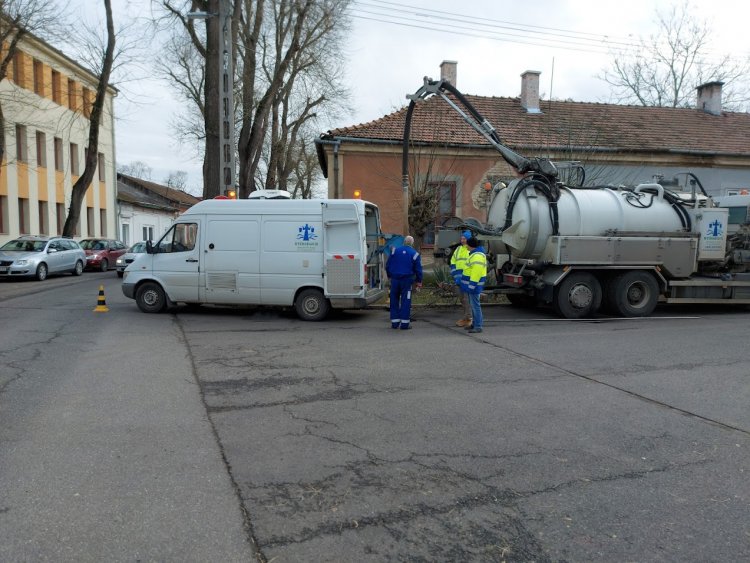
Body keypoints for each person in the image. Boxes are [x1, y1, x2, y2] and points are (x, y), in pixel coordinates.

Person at [386, 235, 423, 330]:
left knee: (394, 300)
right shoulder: (415, 254)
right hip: (407, 281)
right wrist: (419, 281)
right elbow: (418, 270)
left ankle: (395, 323)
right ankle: (404, 324)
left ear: (404, 242)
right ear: (412, 244)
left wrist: (389, 276)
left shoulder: (394, 251)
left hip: (395, 280)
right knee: (406, 301)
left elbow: (388, 265)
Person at [462, 236, 487, 334]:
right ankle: (475, 324)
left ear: (470, 245)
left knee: (475, 306)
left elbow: (476, 273)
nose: (466, 246)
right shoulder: (475, 254)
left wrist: (471, 285)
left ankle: (478, 326)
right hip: (472, 285)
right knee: (473, 305)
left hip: (473, 285)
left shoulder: (477, 256)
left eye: (467, 244)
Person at [449, 230, 472, 327]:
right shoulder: (458, 249)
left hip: (467, 279)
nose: (462, 240)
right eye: (461, 238)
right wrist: (455, 275)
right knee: (462, 299)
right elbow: (453, 261)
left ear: (468, 239)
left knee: (467, 299)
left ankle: (469, 319)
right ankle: (466, 317)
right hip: (458, 279)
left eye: (464, 239)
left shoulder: (470, 250)